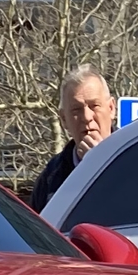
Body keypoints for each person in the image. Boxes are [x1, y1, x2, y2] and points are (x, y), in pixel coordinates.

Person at [28, 66, 118, 211]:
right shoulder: (52, 176)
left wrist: (103, 164)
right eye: (76, 110)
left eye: (94, 106)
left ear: (111, 108)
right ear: (64, 119)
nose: (87, 117)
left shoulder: (134, 160)